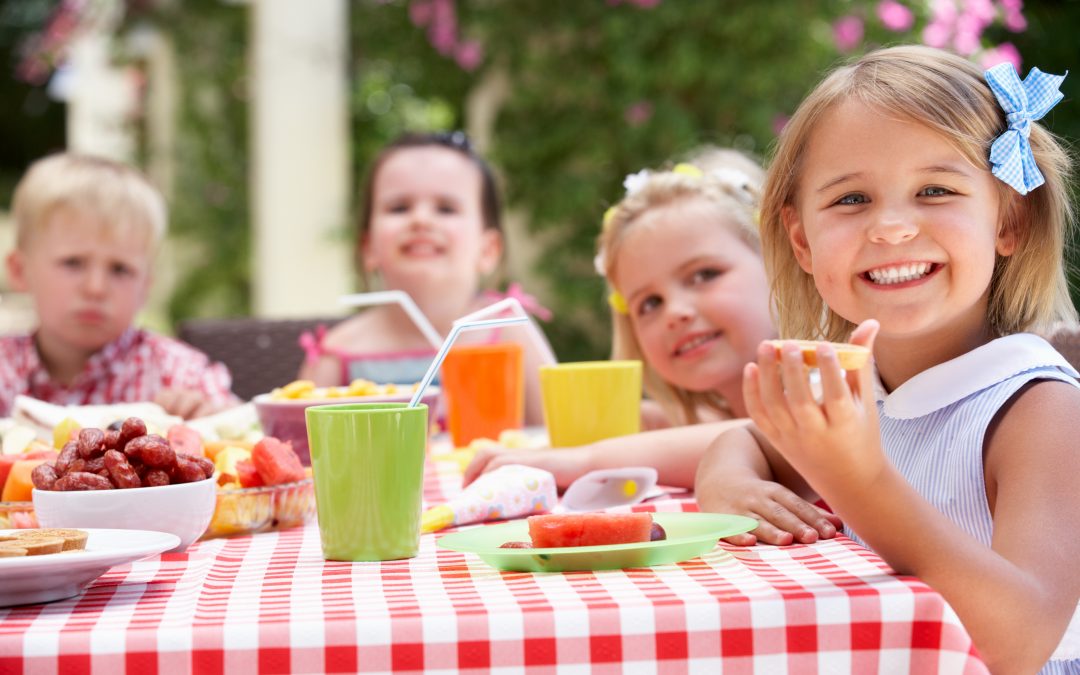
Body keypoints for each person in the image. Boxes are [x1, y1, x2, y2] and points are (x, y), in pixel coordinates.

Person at [695, 46, 1080, 674]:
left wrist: (860, 480)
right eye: (851, 200)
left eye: (936, 190)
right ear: (802, 242)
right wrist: (728, 483)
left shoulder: (1039, 406)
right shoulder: (861, 382)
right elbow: (744, 440)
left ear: (1009, 219)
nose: (893, 228)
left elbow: (1021, 641)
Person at [464, 148, 778, 490]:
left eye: (704, 274)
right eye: (649, 303)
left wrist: (586, 461)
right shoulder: (722, 413)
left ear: (778, 261)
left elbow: (769, 436)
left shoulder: (831, 385)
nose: (675, 312)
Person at [297, 131, 552, 425]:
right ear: (368, 247)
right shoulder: (339, 351)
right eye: (399, 208)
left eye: (446, 208)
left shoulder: (508, 330)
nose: (421, 220)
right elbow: (299, 452)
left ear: (488, 249)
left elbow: (560, 438)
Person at [0, 153, 239, 419]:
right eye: (73, 263)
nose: (96, 288)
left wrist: (209, 417)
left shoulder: (180, 374)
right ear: (20, 271)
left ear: (145, 287)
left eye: (120, 269)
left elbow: (244, 432)